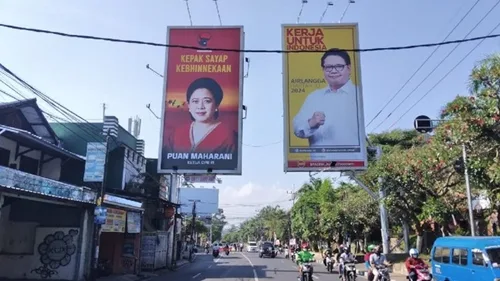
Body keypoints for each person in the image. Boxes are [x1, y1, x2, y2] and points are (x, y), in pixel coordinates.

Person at [292, 48, 361, 161]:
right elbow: (297, 128)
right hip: (321, 167)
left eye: (339, 66)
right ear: (323, 70)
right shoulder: (314, 97)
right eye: (328, 67)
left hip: (353, 165)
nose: (333, 71)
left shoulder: (358, 95)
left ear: (348, 68)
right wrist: (311, 123)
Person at [163, 77, 237, 159]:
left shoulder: (228, 136)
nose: (200, 106)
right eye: (195, 101)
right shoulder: (177, 133)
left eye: (207, 101)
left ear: (216, 105)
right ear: (189, 105)